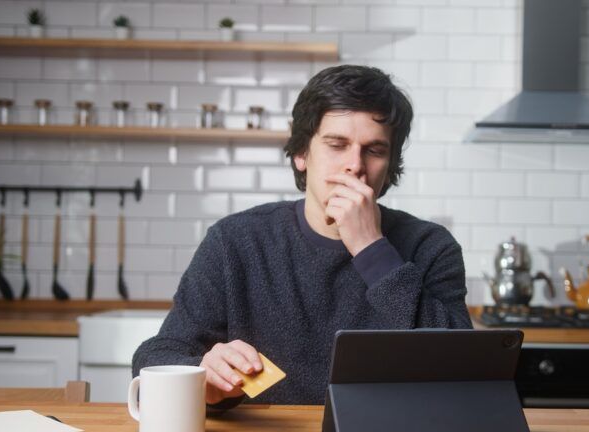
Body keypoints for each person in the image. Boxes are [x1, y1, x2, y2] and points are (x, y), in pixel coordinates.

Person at [132, 65, 472, 408]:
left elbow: (465, 373)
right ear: (301, 154)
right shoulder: (234, 241)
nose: (355, 165)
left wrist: (372, 250)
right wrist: (203, 376)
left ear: (389, 164)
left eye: (374, 150)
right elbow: (157, 356)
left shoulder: (431, 247)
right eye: (337, 145)